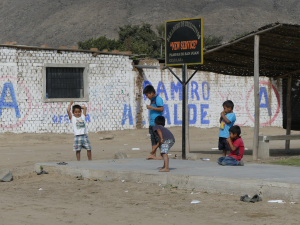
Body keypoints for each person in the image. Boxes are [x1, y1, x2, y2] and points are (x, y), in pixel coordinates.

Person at [143, 85, 164, 160]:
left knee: (159, 138)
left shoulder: (158, 99)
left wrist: (151, 107)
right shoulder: (152, 100)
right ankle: (153, 154)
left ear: (152, 93)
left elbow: (161, 109)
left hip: (157, 123)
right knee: (153, 139)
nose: (147, 97)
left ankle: (162, 155)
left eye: (147, 95)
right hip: (152, 123)